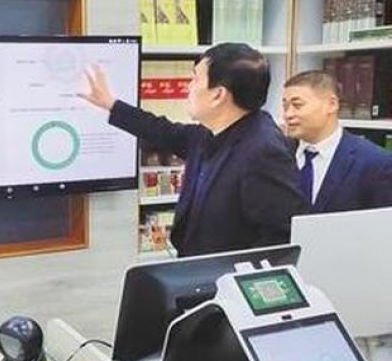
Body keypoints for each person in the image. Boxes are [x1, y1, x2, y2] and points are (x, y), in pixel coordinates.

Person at [80, 43, 307, 257]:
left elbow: (279, 237)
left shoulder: (264, 151)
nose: (188, 87)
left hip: (227, 277)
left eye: (195, 79)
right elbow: (164, 131)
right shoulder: (211, 131)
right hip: (197, 270)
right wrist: (111, 104)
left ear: (218, 94)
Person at [282, 70, 392, 213]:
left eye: (297, 105)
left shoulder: (375, 163)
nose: (288, 114)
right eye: (285, 107)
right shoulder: (277, 155)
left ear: (332, 104)